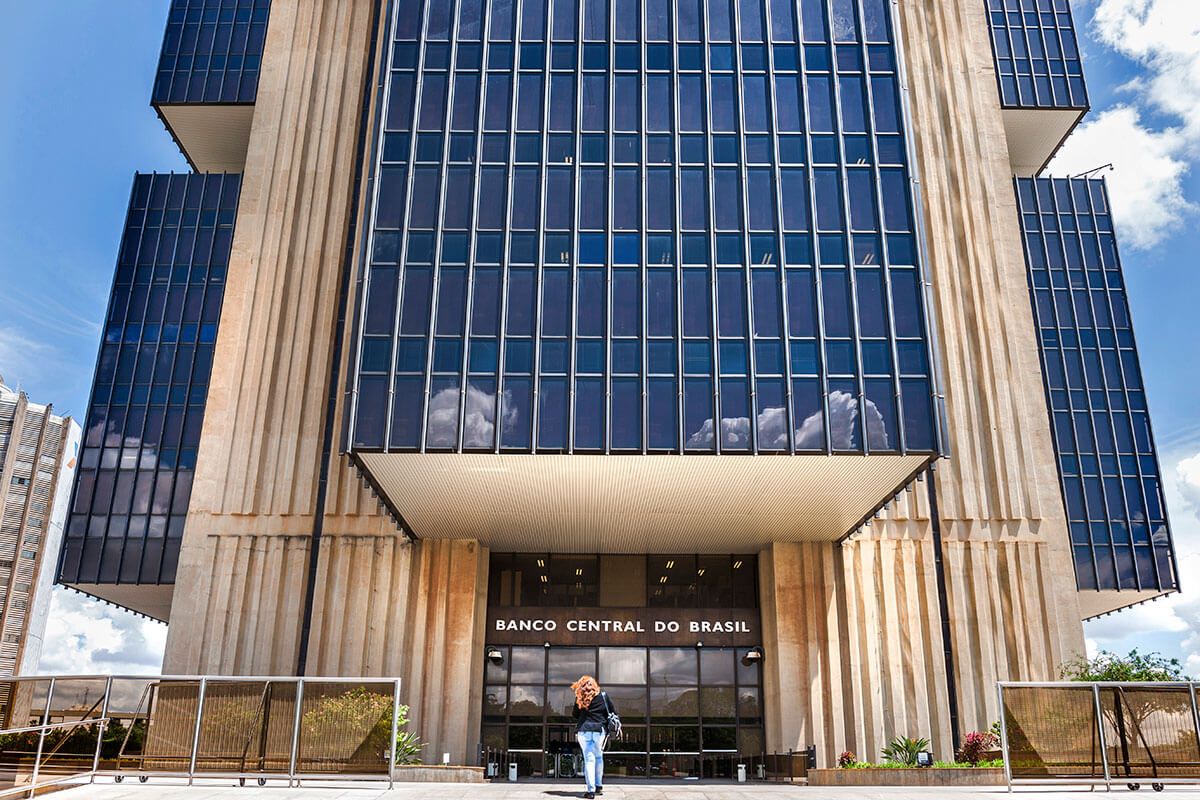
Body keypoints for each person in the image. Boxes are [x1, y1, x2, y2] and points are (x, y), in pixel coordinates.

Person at [571, 674, 614, 798]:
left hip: (584, 731)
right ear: (594, 685)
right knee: (599, 757)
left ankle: (591, 791)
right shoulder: (603, 696)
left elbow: (575, 714)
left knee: (589, 760)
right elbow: (612, 712)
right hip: (599, 731)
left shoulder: (580, 697)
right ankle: (599, 786)